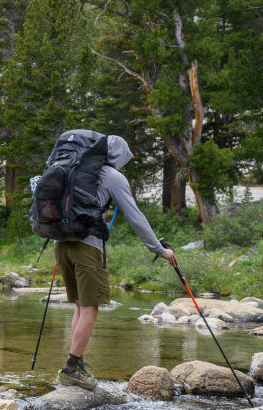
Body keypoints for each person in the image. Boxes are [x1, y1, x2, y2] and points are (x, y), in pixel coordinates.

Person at [54, 135, 177, 390]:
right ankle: (71, 368)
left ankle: (76, 364)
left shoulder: (73, 168)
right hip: (87, 247)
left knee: (80, 305)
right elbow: (135, 216)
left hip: (61, 244)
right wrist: (159, 249)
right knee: (91, 307)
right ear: (119, 155)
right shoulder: (112, 177)